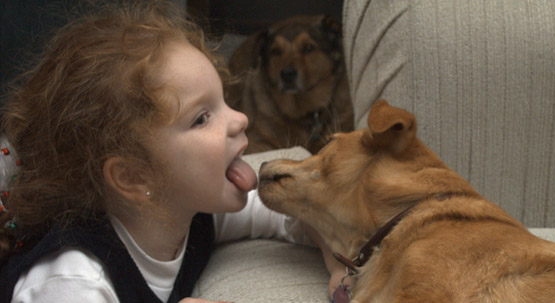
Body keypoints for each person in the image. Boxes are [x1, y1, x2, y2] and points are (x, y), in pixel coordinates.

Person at [0, 1, 348, 302]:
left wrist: (337, 261)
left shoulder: (187, 210)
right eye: (201, 118)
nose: (241, 119)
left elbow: (293, 210)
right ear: (134, 176)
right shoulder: (70, 280)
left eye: (225, 101)